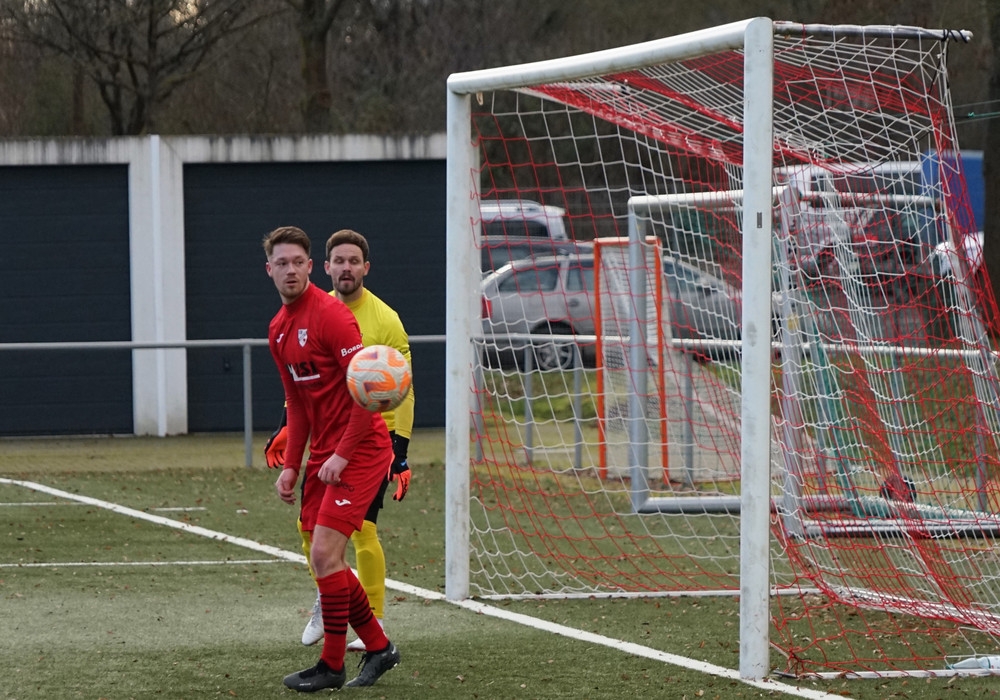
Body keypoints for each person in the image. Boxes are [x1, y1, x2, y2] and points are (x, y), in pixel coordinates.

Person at [263, 225, 401, 691]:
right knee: (325, 559)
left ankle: (332, 665)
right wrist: (291, 465)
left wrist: (342, 455)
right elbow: (297, 404)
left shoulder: (333, 317)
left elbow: (368, 394)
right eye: (281, 263)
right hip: (324, 455)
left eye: (297, 262)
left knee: (326, 554)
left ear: (310, 267)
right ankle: (379, 648)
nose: (290, 270)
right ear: (269, 270)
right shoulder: (278, 330)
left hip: (361, 449)